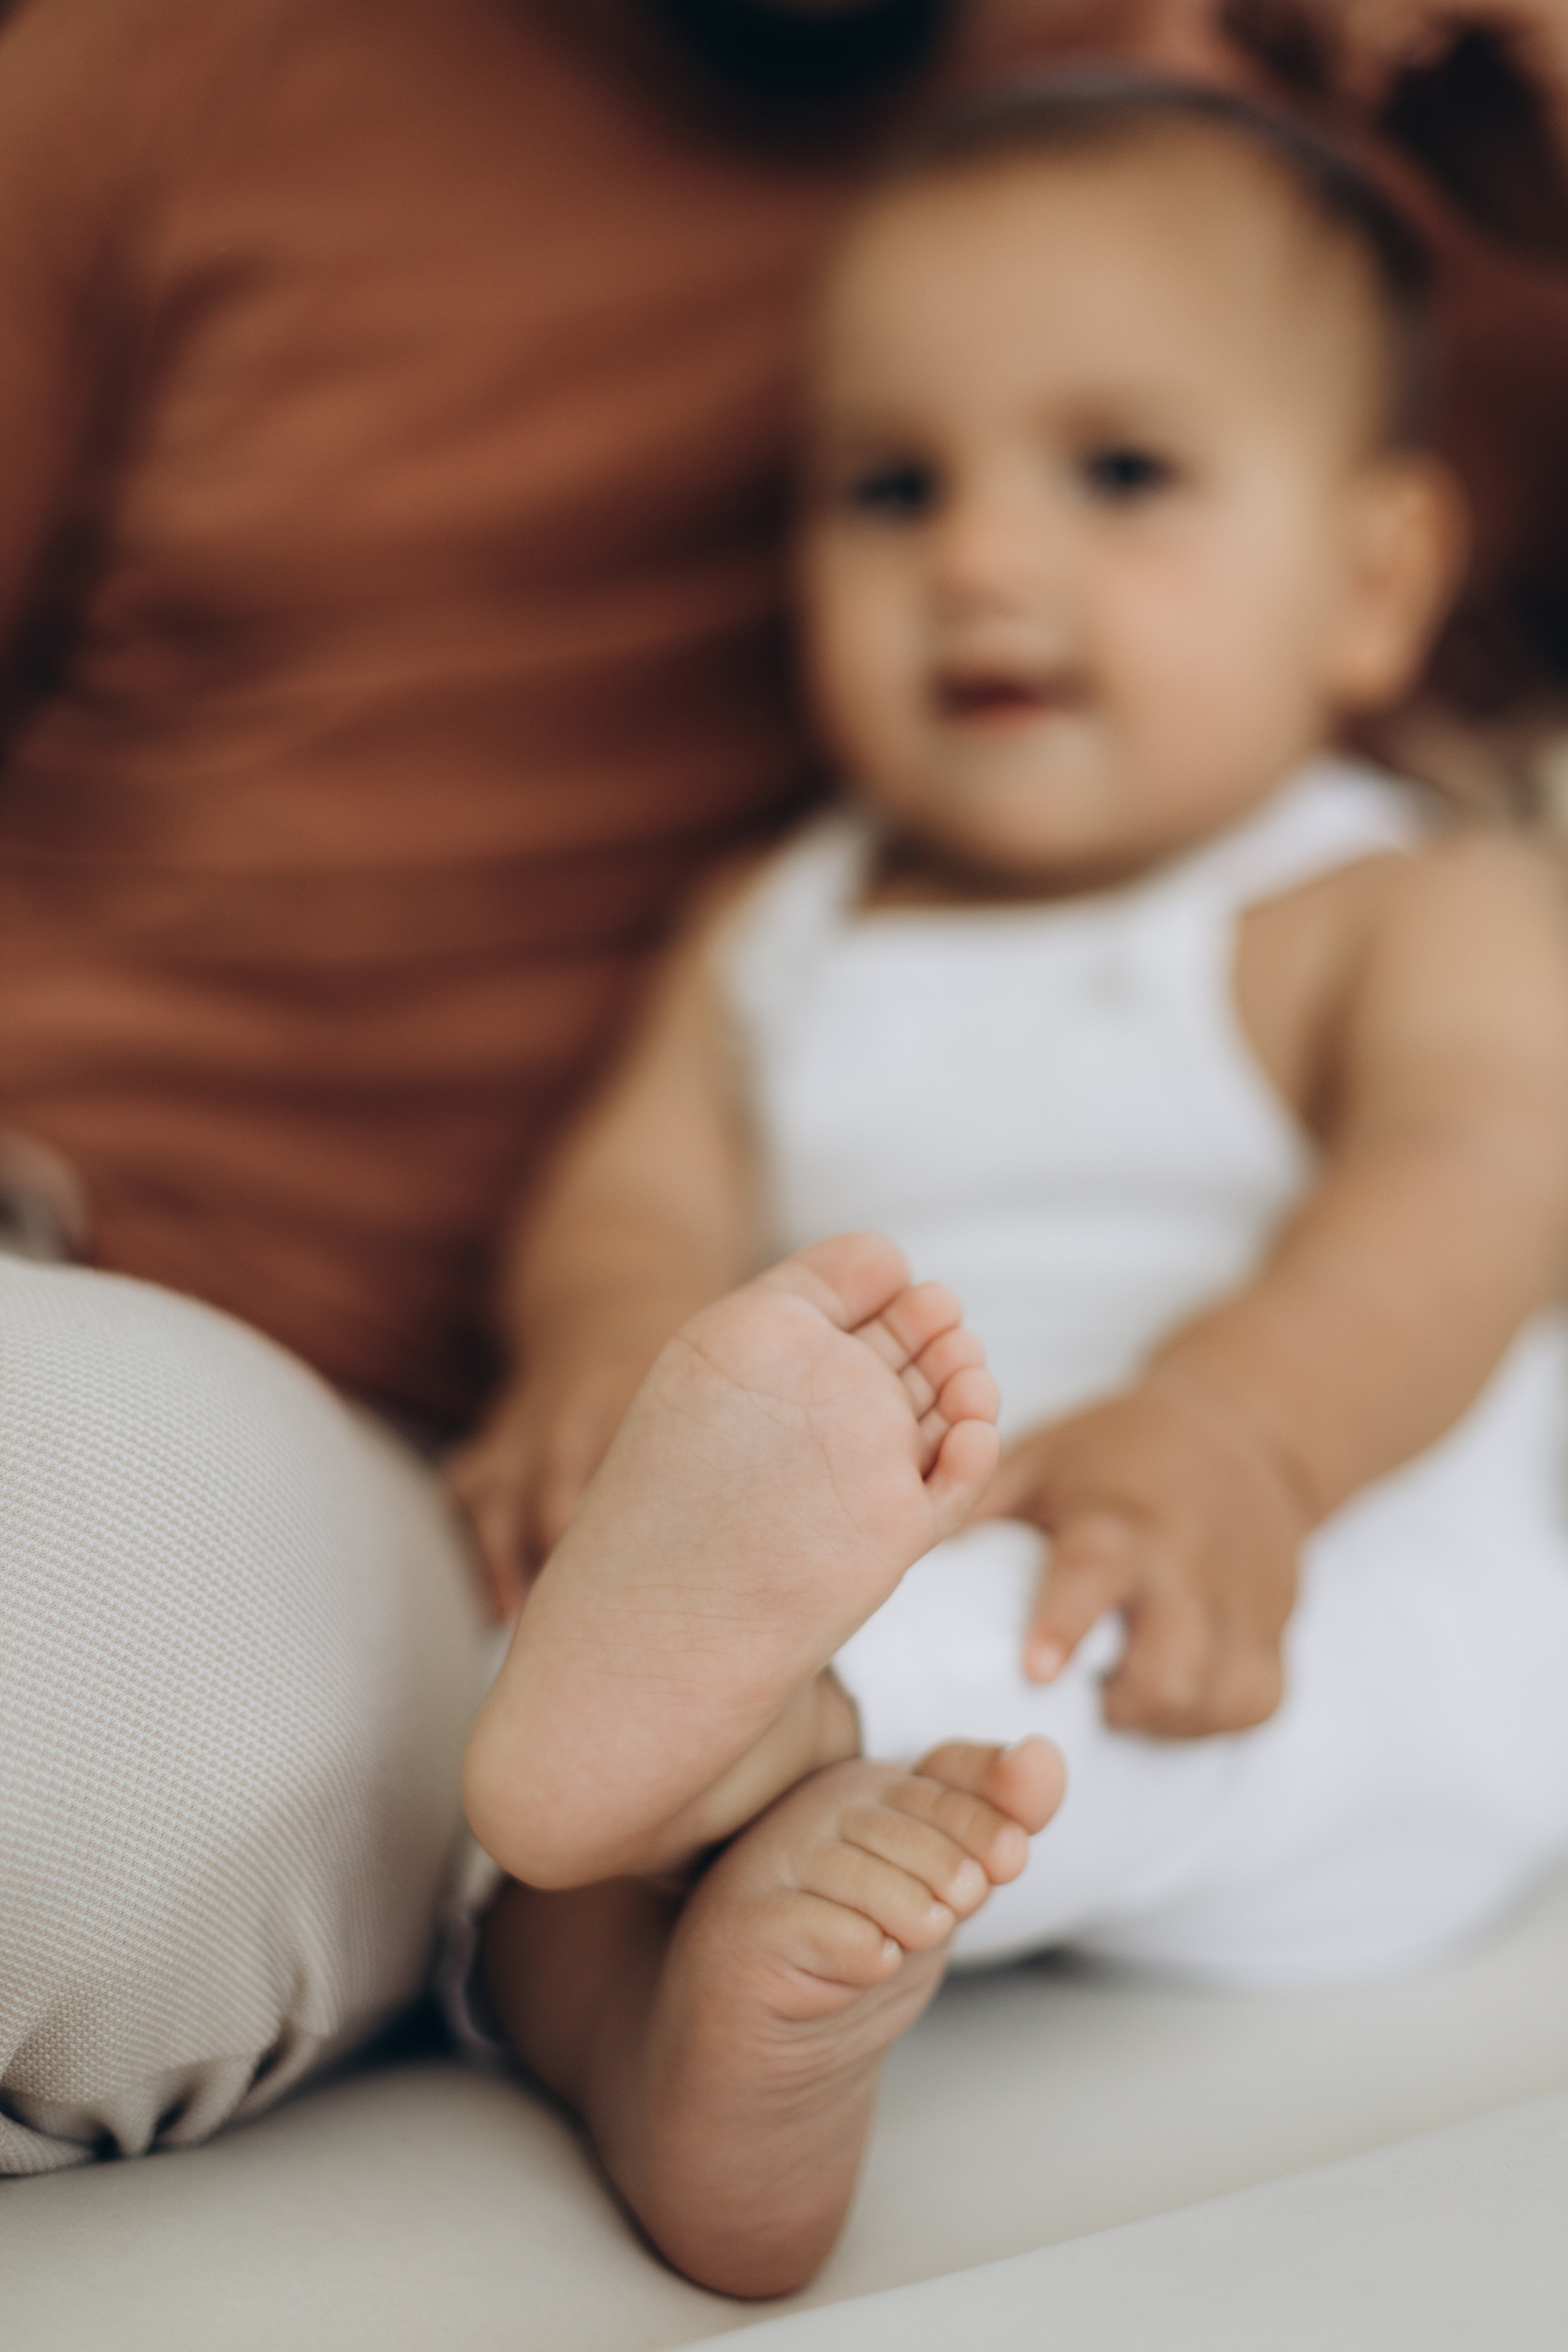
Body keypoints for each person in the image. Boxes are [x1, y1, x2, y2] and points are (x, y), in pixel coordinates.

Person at [462, 76, 1568, 2297]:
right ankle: (676, 2053)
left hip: (1301, 1592)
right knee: (485, 1811)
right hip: (838, 1572)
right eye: (892, 486)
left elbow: (1487, 1175)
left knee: (1078, 1617)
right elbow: (629, 1197)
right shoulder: (784, 924)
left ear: (1372, 581)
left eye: (1122, 471)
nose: (978, 559)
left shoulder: (1392, 899)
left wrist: (1247, 1426)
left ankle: (752, 1748)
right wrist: (599, 1350)